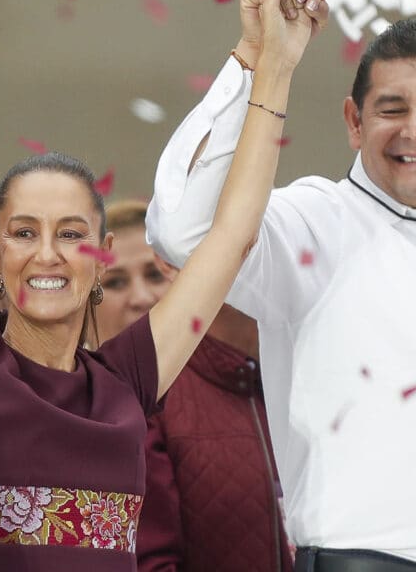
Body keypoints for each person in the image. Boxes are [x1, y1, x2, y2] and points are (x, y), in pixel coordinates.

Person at [0, 0, 326, 570]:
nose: (48, 254)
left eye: (71, 234)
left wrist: (273, 63)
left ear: (101, 254)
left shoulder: (128, 377)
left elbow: (231, 235)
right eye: (25, 233)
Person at [146, 0, 416, 572]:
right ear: (354, 122)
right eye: (391, 110)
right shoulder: (317, 222)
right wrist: (258, 58)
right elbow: (183, 227)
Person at [96, 201, 290, 571]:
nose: (142, 297)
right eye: (116, 282)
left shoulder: (277, 373)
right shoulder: (123, 406)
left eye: (155, 276)